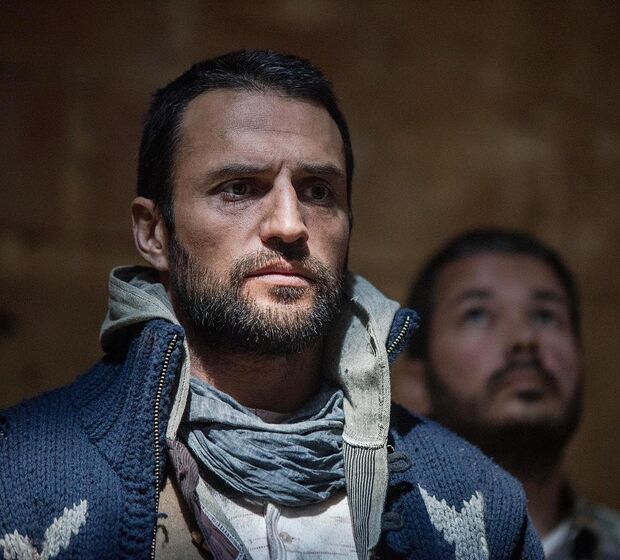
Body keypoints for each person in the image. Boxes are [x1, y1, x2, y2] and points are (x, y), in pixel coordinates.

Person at [0, 51, 542, 560]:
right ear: (154, 233)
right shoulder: (19, 482)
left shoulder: (478, 505)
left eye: (318, 191)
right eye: (238, 188)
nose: (289, 224)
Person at [399, 228, 620, 560]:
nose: (524, 339)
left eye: (546, 316)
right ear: (417, 380)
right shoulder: (365, 546)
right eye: (476, 314)